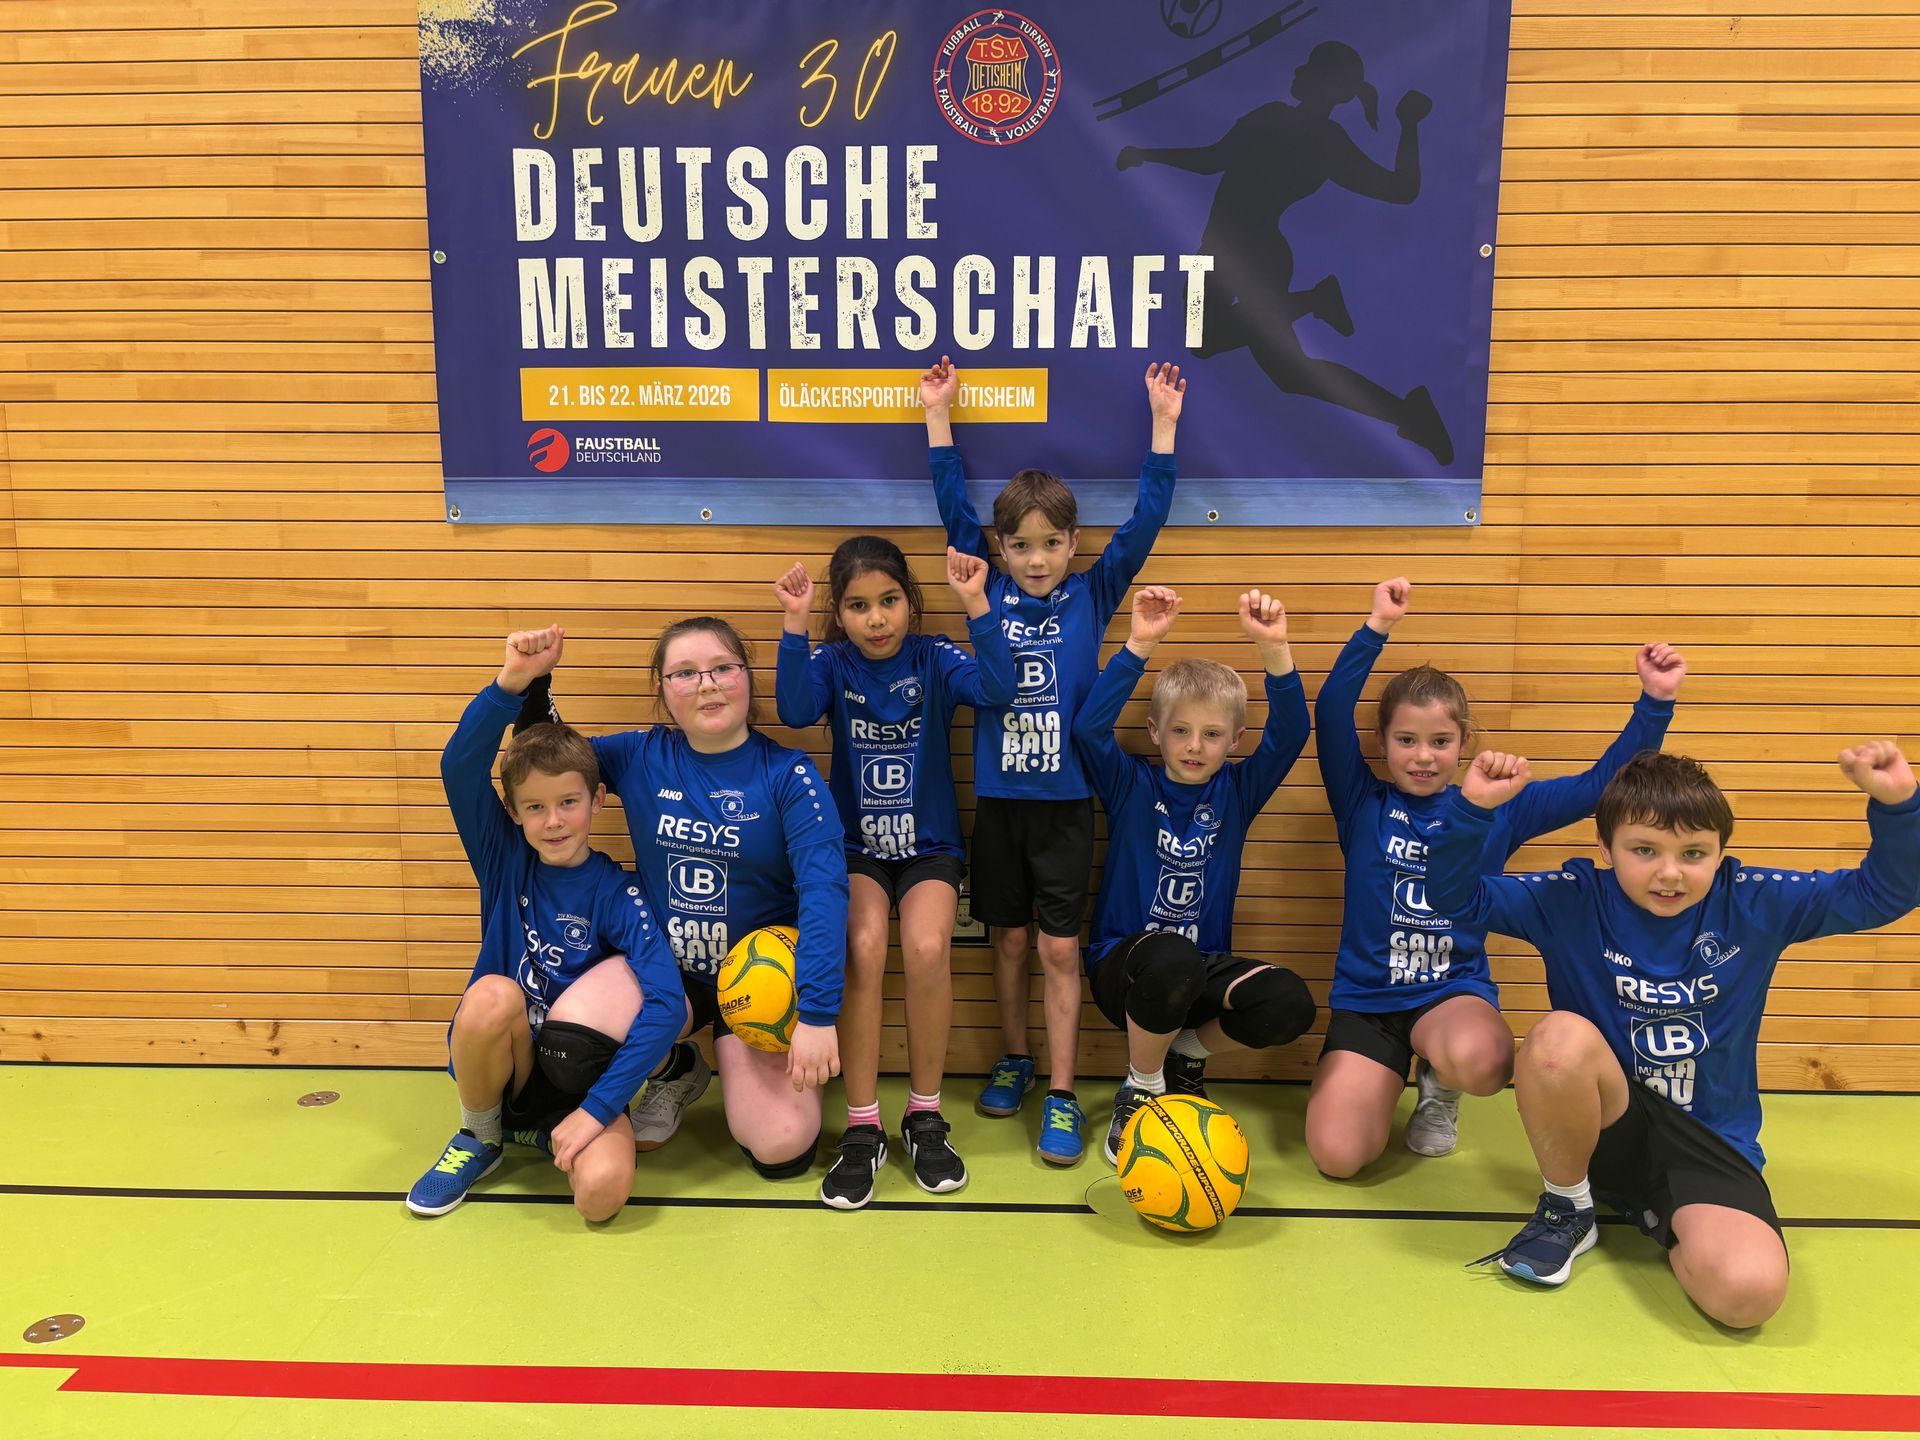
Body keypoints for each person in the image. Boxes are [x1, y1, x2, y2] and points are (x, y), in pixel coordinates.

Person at [1426, 743, 1920, 1328]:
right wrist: (1473, 811)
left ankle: (1663, 1216)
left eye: (1693, 853)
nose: (1669, 872)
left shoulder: (1756, 899)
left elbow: (1882, 894)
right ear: (1605, 847)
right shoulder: (1571, 897)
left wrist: (1900, 807)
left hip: (1707, 1143)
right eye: (1644, 850)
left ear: (1720, 852)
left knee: (1748, 1296)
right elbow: (1452, 899)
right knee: (1557, 1039)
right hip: (1603, 1124)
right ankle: (1568, 1206)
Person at [1307, 577, 1685, 1176]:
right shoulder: (1361, 801)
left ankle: (1440, 1084)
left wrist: (1655, 702)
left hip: (1448, 995)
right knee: (1338, 1157)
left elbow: (1600, 787)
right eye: (1406, 740)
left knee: (1485, 1062)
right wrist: (1376, 628)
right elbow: (1330, 712)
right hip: (1368, 1002)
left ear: (1463, 742)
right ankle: (1382, 1073)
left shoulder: (1496, 804)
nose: (1423, 756)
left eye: (1440, 741)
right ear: (1382, 742)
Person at [923, 356, 1184, 1165]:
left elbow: (1144, 523)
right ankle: (1016, 1057)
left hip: (1069, 806)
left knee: (1059, 949)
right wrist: (937, 415)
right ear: (999, 549)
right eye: (1020, 546)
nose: (1036, 560)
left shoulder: (1094, 594)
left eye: (1051, 544)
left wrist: (1164, 427)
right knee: (1005, 944)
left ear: (1074, 544)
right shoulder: (988, 585)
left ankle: (1064, 1093)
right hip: (999, 806)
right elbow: (951, 504)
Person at [519, 618, 849, 1182]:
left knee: (782, 1148)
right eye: (685, 673)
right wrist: (533, 685)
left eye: (723, 668)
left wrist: (817, 1014)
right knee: (571, 1045)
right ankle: (674, 1066)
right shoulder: (640, 755)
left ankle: (723, 1055)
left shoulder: (789, 775)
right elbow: (547, 767)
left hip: (759, 981)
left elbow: (825, 895)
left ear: (747, 676)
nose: (707, 684)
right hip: (666, 969)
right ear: (662, 689)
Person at [405, 626, 685, 1221]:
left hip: (578, 1086)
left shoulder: (619, 893)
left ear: (598, 801)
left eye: (568, 803)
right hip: (509, 1067)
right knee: (491, 996)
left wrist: (599, 1108)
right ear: (513, 811)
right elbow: (459, 766)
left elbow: (665, 1005)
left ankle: (542, 1131)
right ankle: (481, 1135)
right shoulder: (503, 858)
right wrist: (512, 682)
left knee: (601, 1197)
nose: (554, 821)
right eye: (535, 807)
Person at [774, 538, 1015, 1207]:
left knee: (929, 946)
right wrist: (794, 623)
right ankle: (862, 1126)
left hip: (929, 846)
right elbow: (794, 710)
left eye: (888, 601)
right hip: (857, 848)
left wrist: (977, 603)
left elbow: (998, 688)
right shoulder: (832, 662)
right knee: (863, 946)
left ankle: (924, 1116)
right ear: (840, 613)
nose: (876, 619)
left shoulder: (934, 657)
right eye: (858, 606)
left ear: (910, 601)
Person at [1116, 39, 1451, 464]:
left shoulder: (1301, 129)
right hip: (1224, 252)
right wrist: (1408, 122)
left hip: (1255, 256)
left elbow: (1211, 159)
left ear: (1324, 82)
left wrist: (1409, 124)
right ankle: (1407, 411)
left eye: (1307, 66)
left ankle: (1316, 302)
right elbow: (1400, 189)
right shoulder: (1308, 131)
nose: (1296, 71)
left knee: (1216, 346)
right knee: (1286, 372)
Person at [1072, 585, 1317, 1161]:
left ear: (1234, 741)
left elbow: (1291, 735)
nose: (1194, 746)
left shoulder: (1238, 790)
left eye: (1211, 734)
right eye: (1180, 730)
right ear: (1155, 732)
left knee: (1289, 1002)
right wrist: (1139, 643)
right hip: (1123, 969)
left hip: (1198, 970)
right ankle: (1142, 1088)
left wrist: (1274, 649)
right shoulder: (1131, 783)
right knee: (1171, 957)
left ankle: (1186, 1056)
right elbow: (1088, 731)